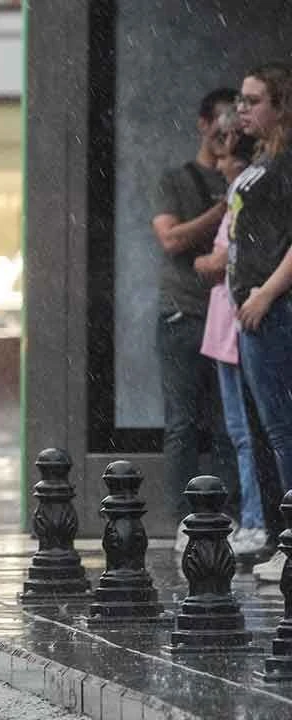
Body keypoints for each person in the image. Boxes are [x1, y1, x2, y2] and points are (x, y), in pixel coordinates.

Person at [150, 87, 240, 550]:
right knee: (184, 423)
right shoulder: (176, 180)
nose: (227, 133)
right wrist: (221, 208)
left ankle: (228, 516)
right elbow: (171, 239)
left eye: (235, 125)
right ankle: (183, 519)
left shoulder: (247, 176)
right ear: (204, 124)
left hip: (229, 316)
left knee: (229, 426)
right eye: (221, 123)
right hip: (183, 314)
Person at [228, 62, 292, 583]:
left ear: (280, 106)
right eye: (241, 100)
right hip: (254, 310)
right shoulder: (261, 159)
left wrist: (267, 293)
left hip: (272, 310)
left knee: (282, 430)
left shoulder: (285, 163)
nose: (242, 109)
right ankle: (281, 535)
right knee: (269, 430)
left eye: (253, 101)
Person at [194, 123, 265, 555]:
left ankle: (257, 520)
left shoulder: (245, 192)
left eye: (224, 157)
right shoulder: (241, 192)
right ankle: (256, 517)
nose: (218, 165)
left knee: (246, 433)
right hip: (225, 329)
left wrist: (204, 262)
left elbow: (224, 258)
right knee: (243, 432)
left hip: (234, 327)